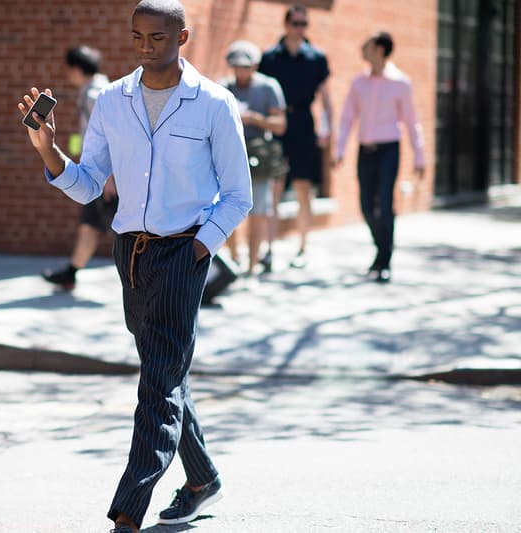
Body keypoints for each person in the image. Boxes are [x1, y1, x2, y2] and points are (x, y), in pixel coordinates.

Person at [17, 1, 252, 530]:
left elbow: (238, 195)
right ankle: (202, 479)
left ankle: (129, 510)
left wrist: (201, 246)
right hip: (130, 254)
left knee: (157, 385)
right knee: (164, 372)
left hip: (182, 252)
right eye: (138, 37)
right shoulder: (111, 101)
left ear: (183, 36)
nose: (147, 47)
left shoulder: (214, 104)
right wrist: (49, 151)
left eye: (159, 37)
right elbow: (88, 184)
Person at [334, 32, 425, 283]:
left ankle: (385, 261)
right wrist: (339, 149)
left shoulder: (400, 83)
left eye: (367, 45)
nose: (362, 49)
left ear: (380, 50)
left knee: (385, 204)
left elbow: (412, 121)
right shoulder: (358, 83)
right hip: (366, 150)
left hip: (389, 150)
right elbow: (346, 119)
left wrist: (420, 155)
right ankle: (382, 248)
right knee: (365, 205)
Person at [259, 4, 333, 269]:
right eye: (296, 24)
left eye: (304, 25)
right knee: (274, 187)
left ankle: (303, 247)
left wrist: (327, 130)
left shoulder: (317, 58)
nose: (300, 29)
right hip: (278, 124)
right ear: (287, 24)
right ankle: (268, 249)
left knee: (304, 189)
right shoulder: (269, 58)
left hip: (303, 123)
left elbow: (325, 98)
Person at [42, 45, 117, 290]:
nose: (67, 75)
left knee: (127, 232)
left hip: (104, 177)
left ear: (76, 69)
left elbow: (114, 137)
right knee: (90, 224)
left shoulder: (94, 95)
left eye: (68, 70)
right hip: (97, 173)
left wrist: (111, 176)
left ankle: (156, 279)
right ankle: (71, 272)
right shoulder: (95, 90)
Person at [222, 40, 287, 276]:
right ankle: (234, 259)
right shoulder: (223, 87)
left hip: (259, 155)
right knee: (224, 209)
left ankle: (251, 266)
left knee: (258, 211)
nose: (241, 71)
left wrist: (254, 119)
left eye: (246, 66)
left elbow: (280, 125)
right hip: (229, 154)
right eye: (236, 66)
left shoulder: (268, 87)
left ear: (256, 65)